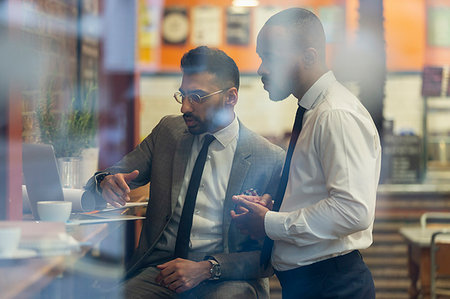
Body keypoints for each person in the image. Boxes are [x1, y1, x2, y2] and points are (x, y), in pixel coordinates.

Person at [85, 46, 284, 298]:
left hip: (226, 278)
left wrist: (207, 268)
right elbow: (111, 175)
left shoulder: (269, 158)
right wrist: (106, 182)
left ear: (231, 97)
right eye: (183, 95)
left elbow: (270, 256)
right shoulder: (168, 132)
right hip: (160, 272)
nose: (185, 108)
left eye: (198, 97)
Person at [231, 8, 381, 299]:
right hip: (310, 283)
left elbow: (353, 211)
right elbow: (316, 193)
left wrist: (270, 223)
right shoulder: (312, 111)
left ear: (310, 57)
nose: (262, 69)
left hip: (331, 285)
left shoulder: (334, 114)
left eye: (271, 57)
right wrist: (274, 209)